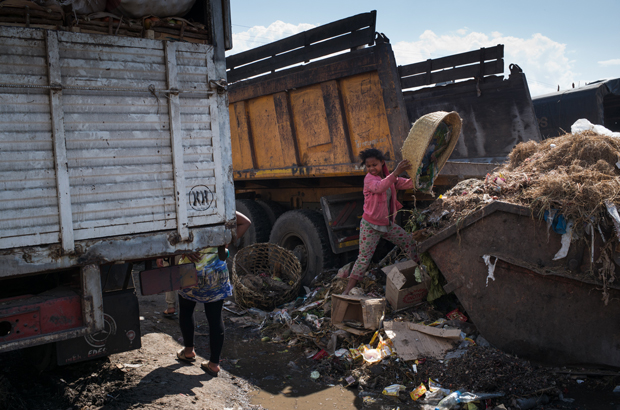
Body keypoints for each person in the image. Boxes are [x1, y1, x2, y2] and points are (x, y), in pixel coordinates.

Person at [175, 211, 251, 376]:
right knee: (215, 318)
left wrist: (184, 249)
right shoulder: (220, 208)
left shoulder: (185, 207)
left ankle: (188, 352)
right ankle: (214, 364)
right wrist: (226, 242)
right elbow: (246, 222)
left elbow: (171, 234)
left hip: (190, 269)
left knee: (186, 310)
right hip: (215, 269)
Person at [340, 149, 417, 295]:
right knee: (364, 259)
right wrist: (396, 172)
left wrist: (422, 170)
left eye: (374, 165)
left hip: (387, 225)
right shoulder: (369, 179)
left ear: (382, 163)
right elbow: (379, 187)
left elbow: (407, 184)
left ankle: (418, 272)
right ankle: (347, 290)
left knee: (409, 242)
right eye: (368, 166)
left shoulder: (389, 177)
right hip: (370, 225)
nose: (371, 169)